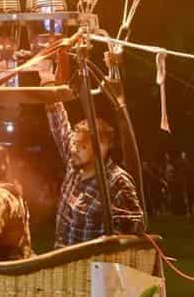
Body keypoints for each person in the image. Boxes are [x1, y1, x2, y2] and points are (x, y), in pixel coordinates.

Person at [46, 101, 145, 246]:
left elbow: (134, 231)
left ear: (101, 148)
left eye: (83, 146)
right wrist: (48, 83)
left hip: (93, 265)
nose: (75, 150)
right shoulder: (74, 166)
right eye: (75, 144)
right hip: (63, 263)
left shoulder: (116, 182)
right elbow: (59, 124)